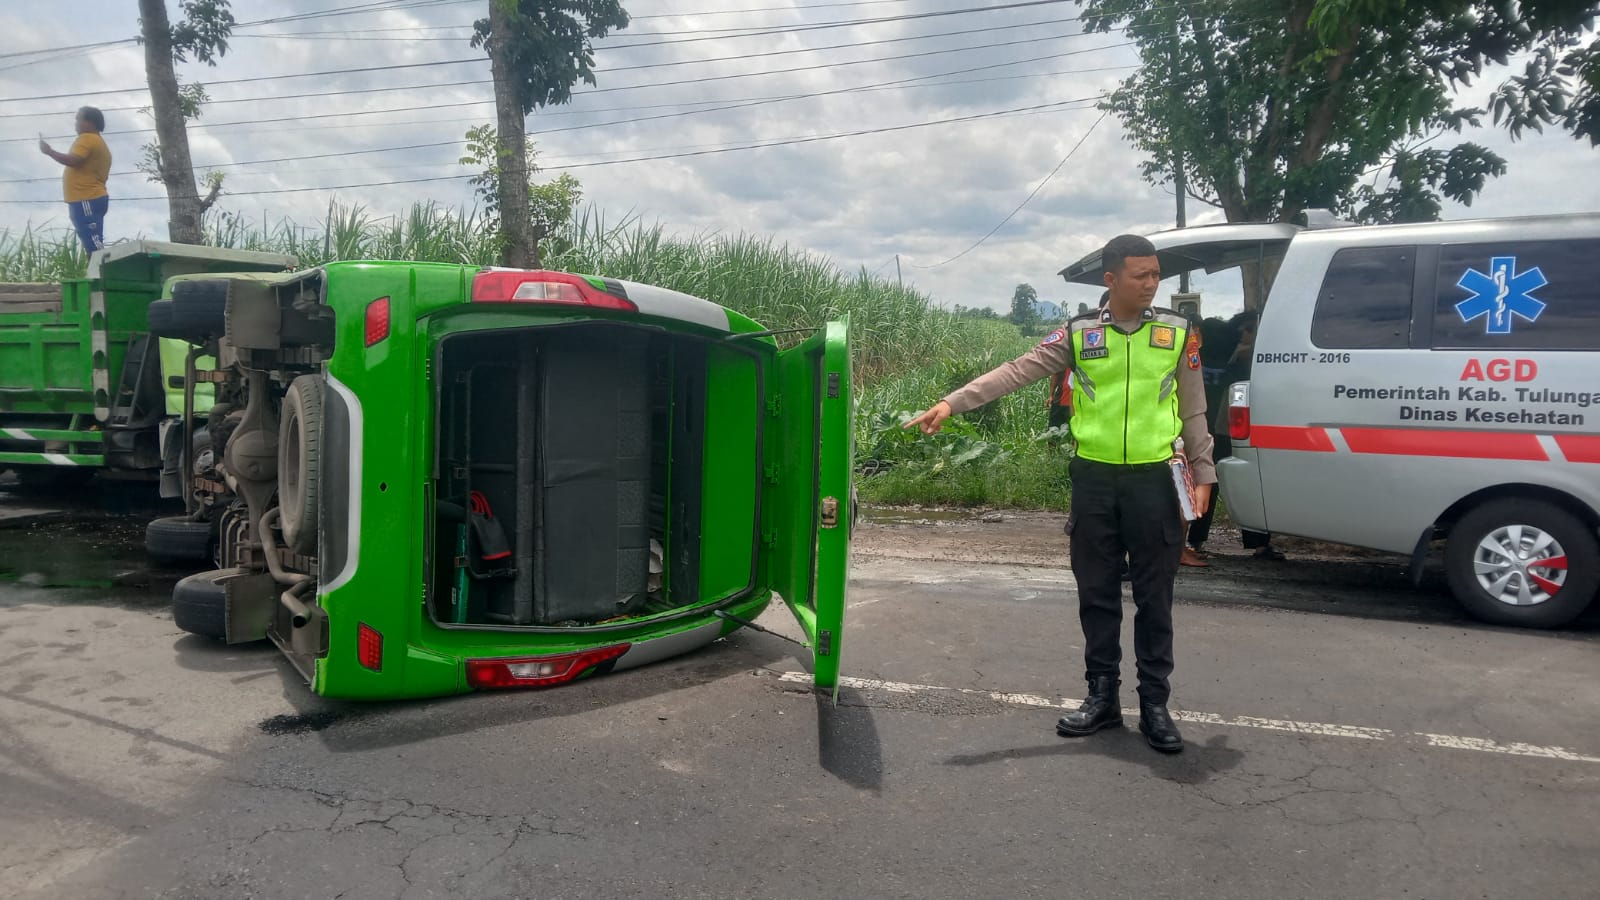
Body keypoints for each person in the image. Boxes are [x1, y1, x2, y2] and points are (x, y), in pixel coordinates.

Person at [907, 235, 1215, 753]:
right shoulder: (1078, 335)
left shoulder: (1177, 333)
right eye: (1140, 275)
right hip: (1094, 481)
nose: (1151, 283)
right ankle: (1102, 698)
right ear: (1110, 280)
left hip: (1155, 482)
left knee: (1154, 596)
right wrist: (951, 403)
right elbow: (1015, 372)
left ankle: (1155, 704)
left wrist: (1203, 471)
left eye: (1155, 274)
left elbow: (1194, 408)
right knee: (1095, 594)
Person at [1182, 316, 1241, 566]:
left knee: (1184, 487)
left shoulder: (1195, 361)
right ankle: (1189, 543)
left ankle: (1184, 543)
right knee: (1200, 487)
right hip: (1213, 432)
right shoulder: (1231, 368)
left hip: (1189, 432)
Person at [39, 106, 112, 255]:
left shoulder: (87, 138)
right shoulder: (100, 142)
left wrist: (49, 152)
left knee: (93, 242)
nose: (76, 123)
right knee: (91, 239)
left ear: (89, 122)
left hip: (86, 197)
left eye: (78, 119)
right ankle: (97, 272)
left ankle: (103, 273)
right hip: (92, 198)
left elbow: (74, 160)